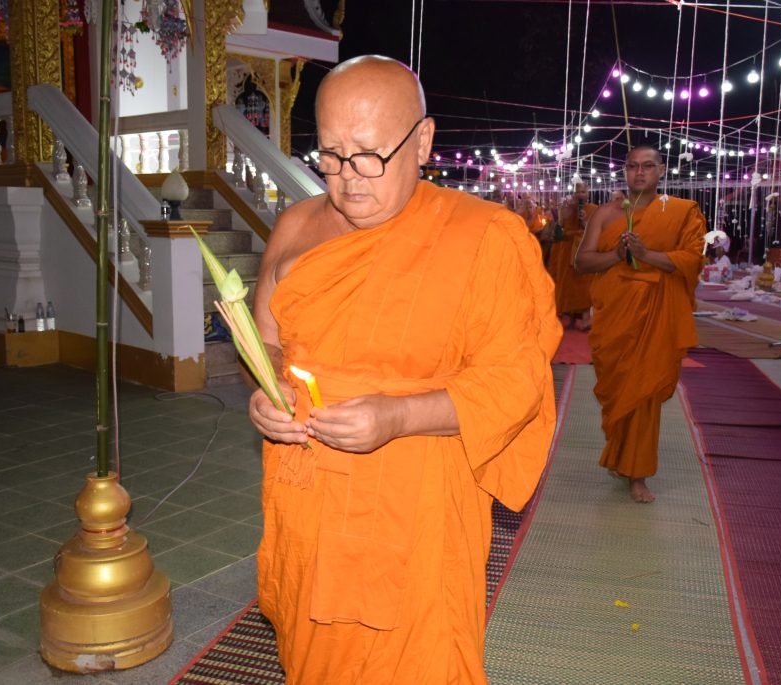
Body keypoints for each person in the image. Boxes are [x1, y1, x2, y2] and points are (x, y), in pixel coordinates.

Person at [248, 55, 561, 682]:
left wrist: (398, 417)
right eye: (330, 155)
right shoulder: (296, 225)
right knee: (312, 654)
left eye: (369, 155)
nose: (347, 178)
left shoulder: (483, 236)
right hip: (308, 494)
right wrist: (269, 390)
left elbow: (517, 380)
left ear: (422, 142)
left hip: (417, 501)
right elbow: (267, 340)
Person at [574, 144, 705, 503]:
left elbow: (692, 260)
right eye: (633, 166)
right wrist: (617, 255)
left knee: (643, 395)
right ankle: (620, 455)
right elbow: (582, 262)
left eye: (648, 166)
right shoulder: (606, 213)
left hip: (655, 315)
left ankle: (638, 474)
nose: (640, 173)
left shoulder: (679, 212)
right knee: (618, 394)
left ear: (661, 171)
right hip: (615, 316)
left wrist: (646, 254)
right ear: (625, 171)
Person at [547, 181, 597, 329]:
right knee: (567, 284)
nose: (580, 195)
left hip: (583, 248)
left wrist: (584, 221)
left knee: (585, 285)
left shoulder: (594, 209)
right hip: (567, 248)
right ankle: (570, 317)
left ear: (588, 194)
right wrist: (562, 216)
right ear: (573, 194)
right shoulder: (567, 208)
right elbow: (559, 229)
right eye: (577, 192)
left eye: (583, 192)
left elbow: (596, 230)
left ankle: (586, 319)